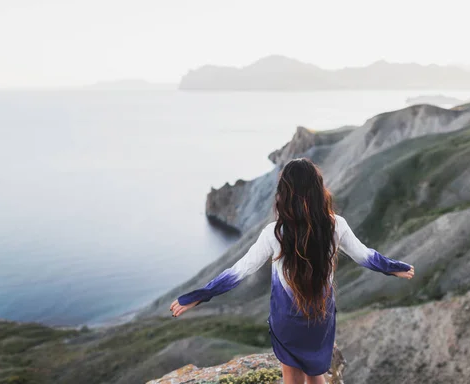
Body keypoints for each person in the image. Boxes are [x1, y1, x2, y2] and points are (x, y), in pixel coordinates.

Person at [170, 158, 414, 384]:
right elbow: (365, 256)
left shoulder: (274, 232)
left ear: (284, 194)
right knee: (316, 375)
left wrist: (199, 295)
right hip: (320, 317)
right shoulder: (336, 225)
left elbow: (240, 271)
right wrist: (395, 268)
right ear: (319, 189)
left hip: (286, 320)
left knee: (291, 376)